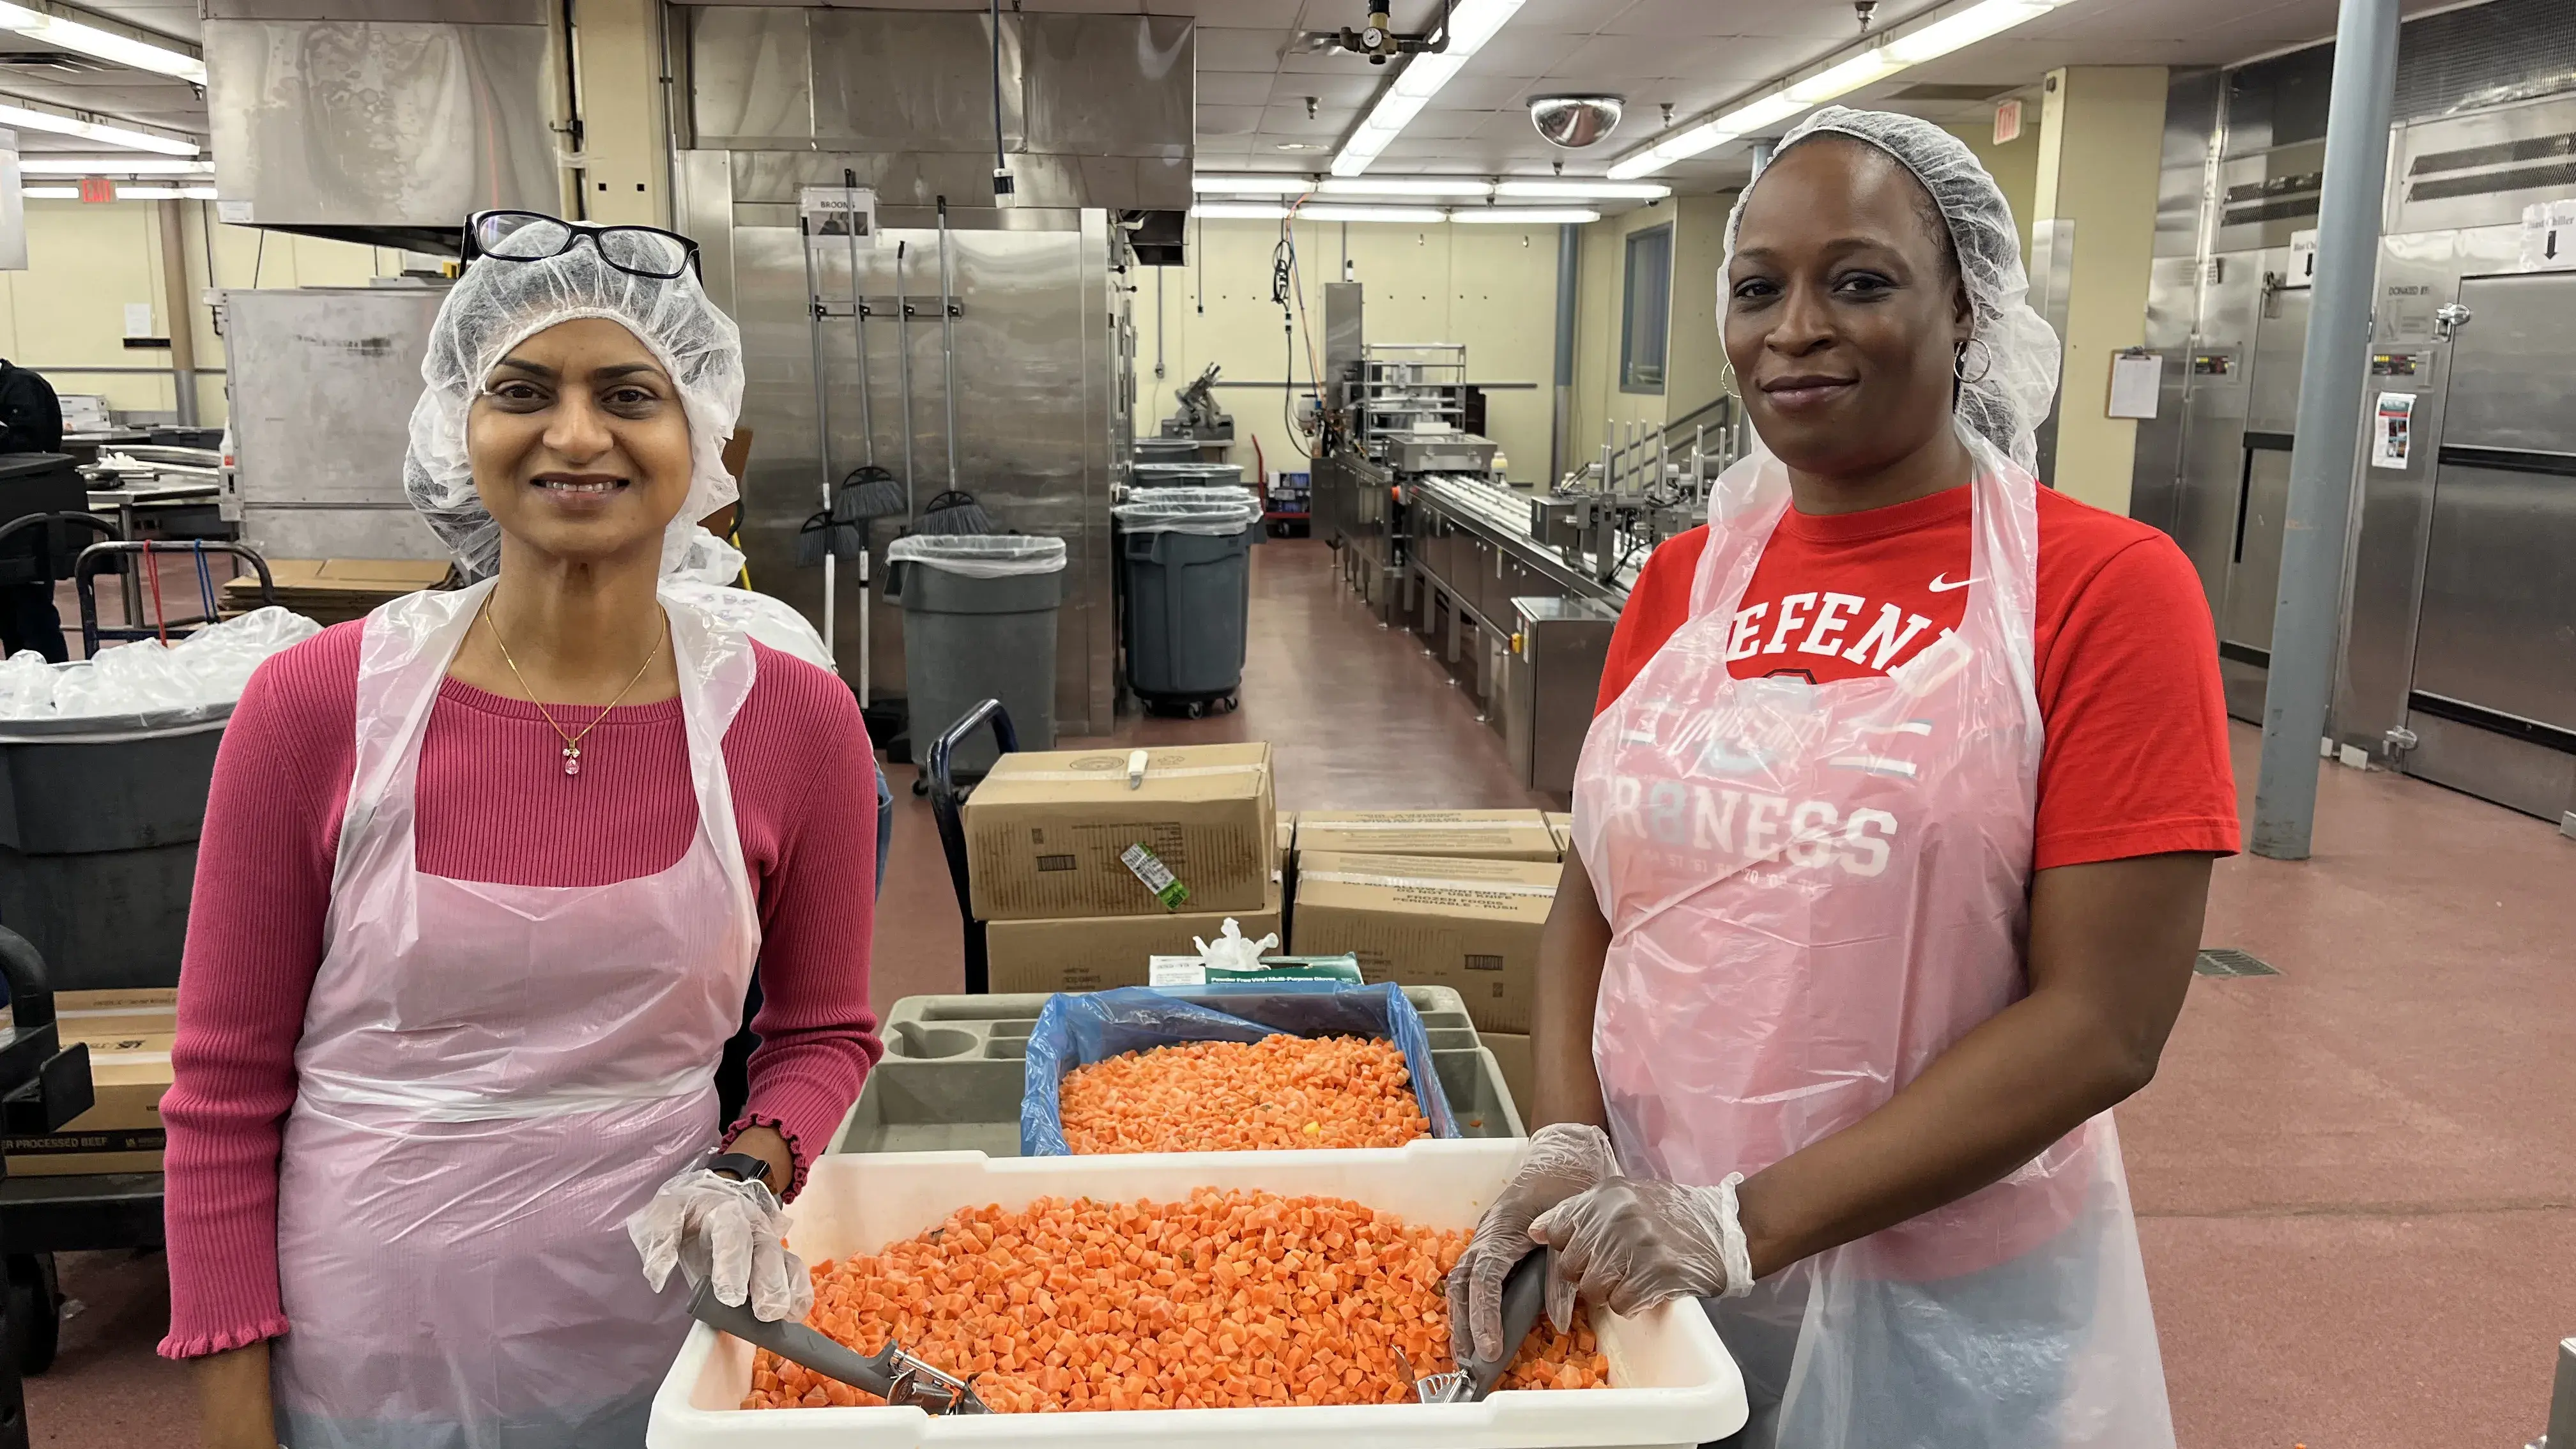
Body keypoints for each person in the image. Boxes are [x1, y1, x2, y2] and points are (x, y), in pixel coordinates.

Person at [1450, 109, 2239, 1448]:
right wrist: (1574, 1148)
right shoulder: (1687, 584)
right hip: (1645, 1266)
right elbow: (1596, 894)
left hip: (1936, 1299)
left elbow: (2105, 1022)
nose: (1795, 326)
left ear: (1969, 310)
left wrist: (1739, 1221)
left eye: (1859, 281)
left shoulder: (2101, 589)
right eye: (1759, 287)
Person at [160, 211, 884, 1448]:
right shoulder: (317, 712)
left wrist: (751, 1166)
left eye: (628, 393)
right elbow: (223, 1105)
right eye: (524, 389)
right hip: (364, 1371)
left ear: (704, 435)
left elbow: (823, 1034)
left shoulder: (791, 722)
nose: (576, 434)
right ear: (462, 423)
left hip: (656, 1361)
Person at [0, 358, 68, 661]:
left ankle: (54, 692)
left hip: (26, 524)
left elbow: (35, 448)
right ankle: (20, 693)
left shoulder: (22, 387)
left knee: (32, 616)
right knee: (8, 619)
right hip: (5, 527)